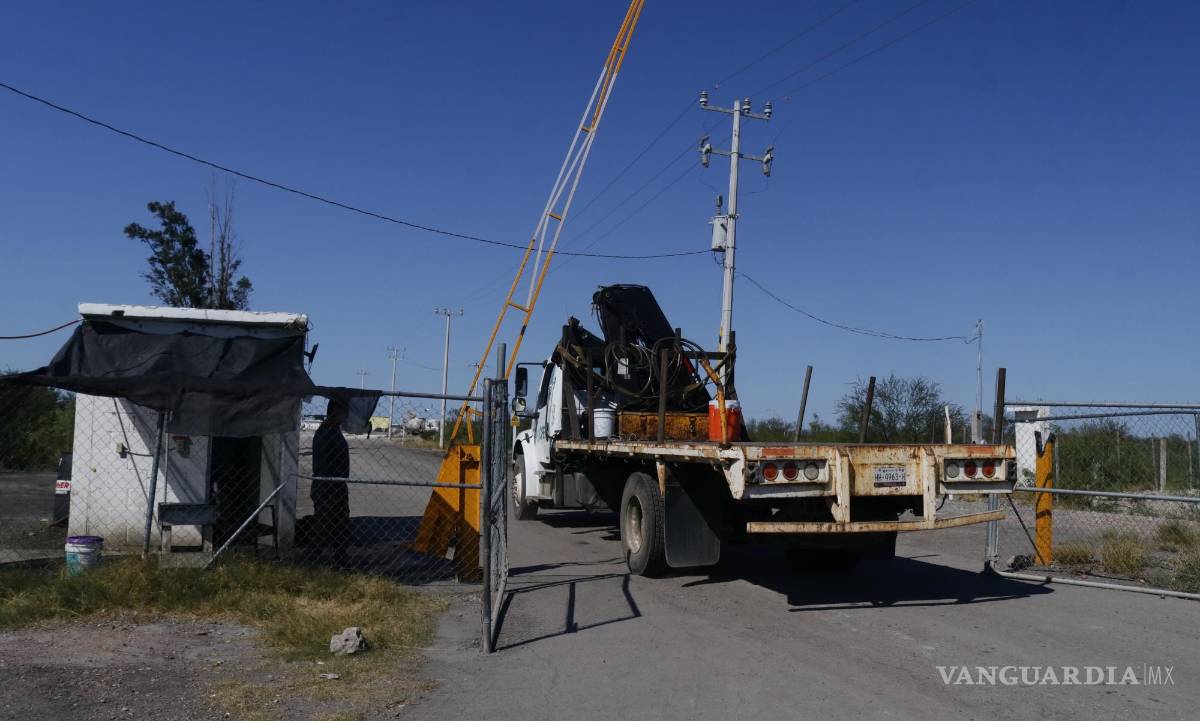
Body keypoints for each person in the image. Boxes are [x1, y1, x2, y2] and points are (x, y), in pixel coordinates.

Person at [312, 397, 351, 562]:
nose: (346, 415)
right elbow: (324, 463)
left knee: (338, 525)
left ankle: (339, 558)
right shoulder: (327, 432)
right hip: (328, 486)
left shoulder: (332, 430)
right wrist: (332, 490)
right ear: (335, 412)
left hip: (335, 485)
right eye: (344, 412)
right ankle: (312, 560)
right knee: (324, 525)